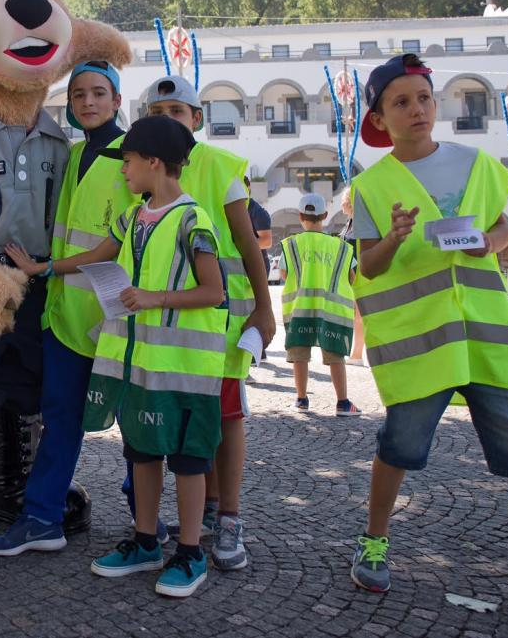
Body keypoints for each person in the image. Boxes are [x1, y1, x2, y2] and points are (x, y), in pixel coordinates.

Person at [347, 53, 508, 638]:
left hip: (487, 339)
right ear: (380, 119)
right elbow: (365, 269)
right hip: (420, 346)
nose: (416, 110)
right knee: (400, 444)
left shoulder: (479, 166)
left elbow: (504, 233)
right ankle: (373, 543)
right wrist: (391, 237)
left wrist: (490, 241)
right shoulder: (369, 187)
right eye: (401, 103)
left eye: (423, 98)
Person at [5, 115, 227, 598]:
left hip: (188, 372)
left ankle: (190, 553)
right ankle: (145, 542)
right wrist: (42, 268)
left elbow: (214, 292)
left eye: (127, 161)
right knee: (142, 450)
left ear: (153, 163)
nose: (122, 170)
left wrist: (152, 297)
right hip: (138, 364)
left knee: (189, 460)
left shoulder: (194, 220)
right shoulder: (132, 217)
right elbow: (97, 257)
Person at [0, 60, 134, 557]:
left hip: (119, 315)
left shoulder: (135, 156)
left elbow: (120, 241)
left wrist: (49, 268)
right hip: (67, 315)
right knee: (60, 418)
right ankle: (42, 518)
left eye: (98, 93)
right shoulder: (72, 154)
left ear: (117, 100)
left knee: (134, 423)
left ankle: (146, 523)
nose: (87, 102)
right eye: (77, 96)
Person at [144, 75, 276, 572]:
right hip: (167, 325)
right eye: (158, 114)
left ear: (196, 120)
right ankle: (207, 509)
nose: (168, 122)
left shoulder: (220, 166)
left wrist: (265, 310)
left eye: (177, 112)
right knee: (185, 418)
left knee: (225, 416)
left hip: (221, 322)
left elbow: (248, 244)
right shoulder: (144, 171)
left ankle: (231, 518)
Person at [281, 193, 360, 415]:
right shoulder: (341, 247)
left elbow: (285, 273)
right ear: (325, 215)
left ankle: (301, 399)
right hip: (331, 311)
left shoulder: (291, 245)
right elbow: (353, 276)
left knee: (299, 355)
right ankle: (343, 403)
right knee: (335, 355)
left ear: (300, 216)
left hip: (299, 310)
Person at [339, 187, 365, 366]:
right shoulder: (351, 223)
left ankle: (357, 354)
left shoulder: (359, 224)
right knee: (355, 315)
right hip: (350, 274)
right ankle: (355, 353)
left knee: (358, 315)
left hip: (357, 275)